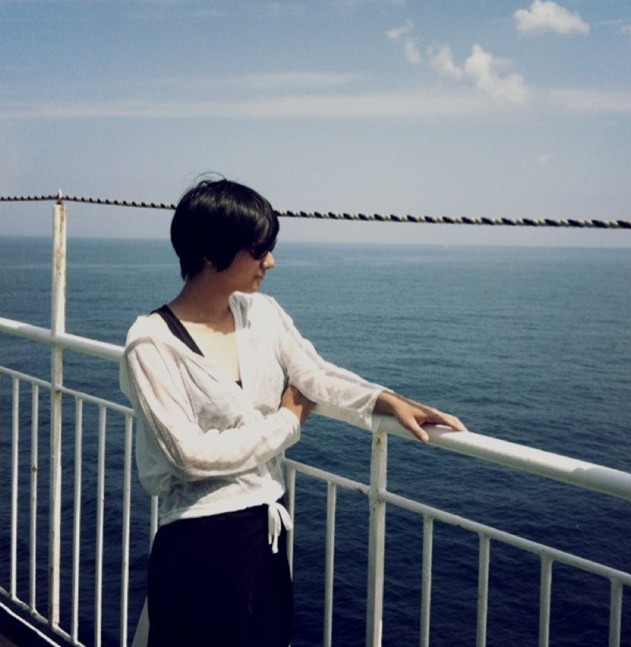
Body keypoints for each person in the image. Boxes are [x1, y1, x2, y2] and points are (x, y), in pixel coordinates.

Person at [120, 178, 465, 647]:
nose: (271, 262)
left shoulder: (262, 314)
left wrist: (387, 400)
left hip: (267, 529)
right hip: (200, 542)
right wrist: (287, 422)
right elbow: (189, 456)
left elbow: (313, 374)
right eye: (259, 250)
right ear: (212, 254)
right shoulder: (151, 343)